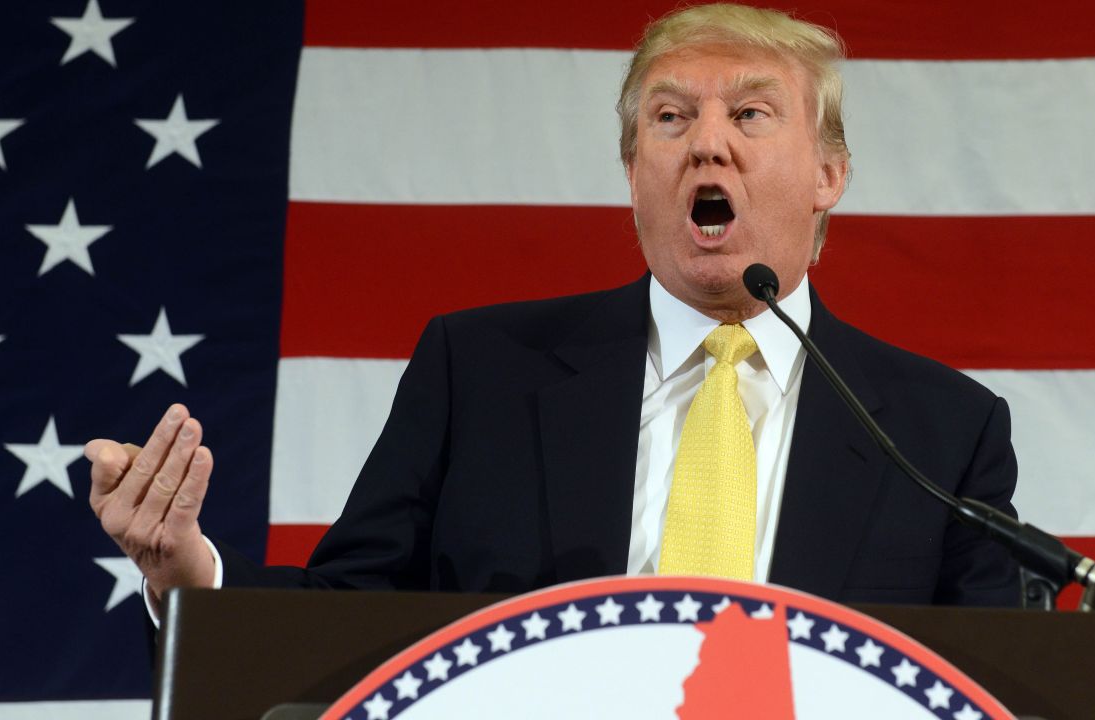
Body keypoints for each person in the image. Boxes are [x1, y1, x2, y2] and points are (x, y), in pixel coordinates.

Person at [85, 3, 1021, 612]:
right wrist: (188, 576)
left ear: (829, 175)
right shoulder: (479, 371)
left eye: (749, 115)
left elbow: (994, 683)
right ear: (631, 173)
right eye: (668, 118)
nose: (706, 146)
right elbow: (348, 620)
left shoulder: (942, 433)